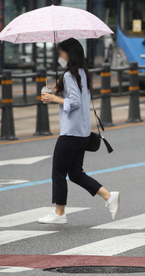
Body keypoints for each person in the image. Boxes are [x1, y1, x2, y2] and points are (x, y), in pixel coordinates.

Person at [39, 38, 120, 224]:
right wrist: (60, 92)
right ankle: (108, 196)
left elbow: (74, 102)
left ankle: (59, 214)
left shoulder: (69, 75)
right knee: (75, 173)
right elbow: (77, 97)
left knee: (58, 172)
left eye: (61, 53)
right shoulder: (83, 73)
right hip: (83, 133)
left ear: (69, 54)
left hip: (71, 133)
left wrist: (54, 99)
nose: (60, 56)